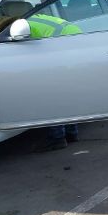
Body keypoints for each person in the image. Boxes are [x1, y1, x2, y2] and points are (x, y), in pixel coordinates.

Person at [26, 12, 83, 152]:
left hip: (66, 44)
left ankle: (57, 138)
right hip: (78, 39)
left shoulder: (23, 27)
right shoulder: (34, 17)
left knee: (50, 93)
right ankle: (71, 132)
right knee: (64, 92)